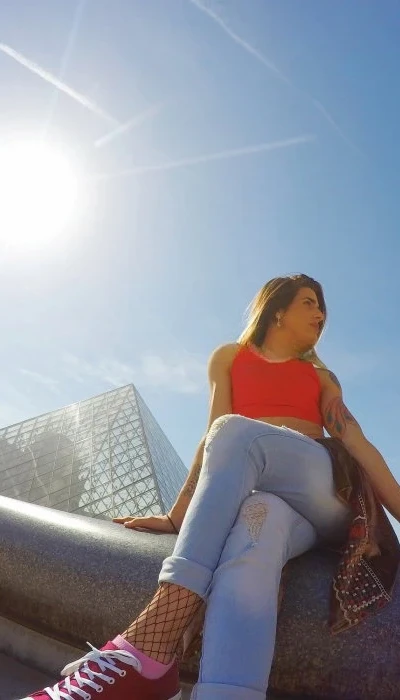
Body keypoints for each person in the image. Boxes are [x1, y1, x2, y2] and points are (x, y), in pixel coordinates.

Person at [21, 274, 400, 700]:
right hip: (270, 500)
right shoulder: (229, 357)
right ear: (277, 310)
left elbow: (357, 443)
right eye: (309, 302)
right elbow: (210, 438)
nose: (321, 314)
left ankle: (151, 641)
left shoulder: (319, 375)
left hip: (322, 490)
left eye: (321, 307)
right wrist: (177, 516)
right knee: (256, 533)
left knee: (236, 432)